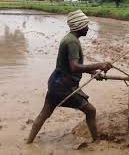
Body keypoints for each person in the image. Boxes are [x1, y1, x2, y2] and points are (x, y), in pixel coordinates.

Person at [26, 10, 112, 144]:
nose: (88, 28)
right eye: (86, 25)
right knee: (91, 111)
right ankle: (97, 141)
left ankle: (29, 142)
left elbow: (70, 66)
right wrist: (99, 65)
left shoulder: (70, 38)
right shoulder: (72, 42)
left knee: (44, 114)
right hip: (65, 87)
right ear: (79, 26)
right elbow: (74, 67)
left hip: (56, 83)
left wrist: (93, 71)